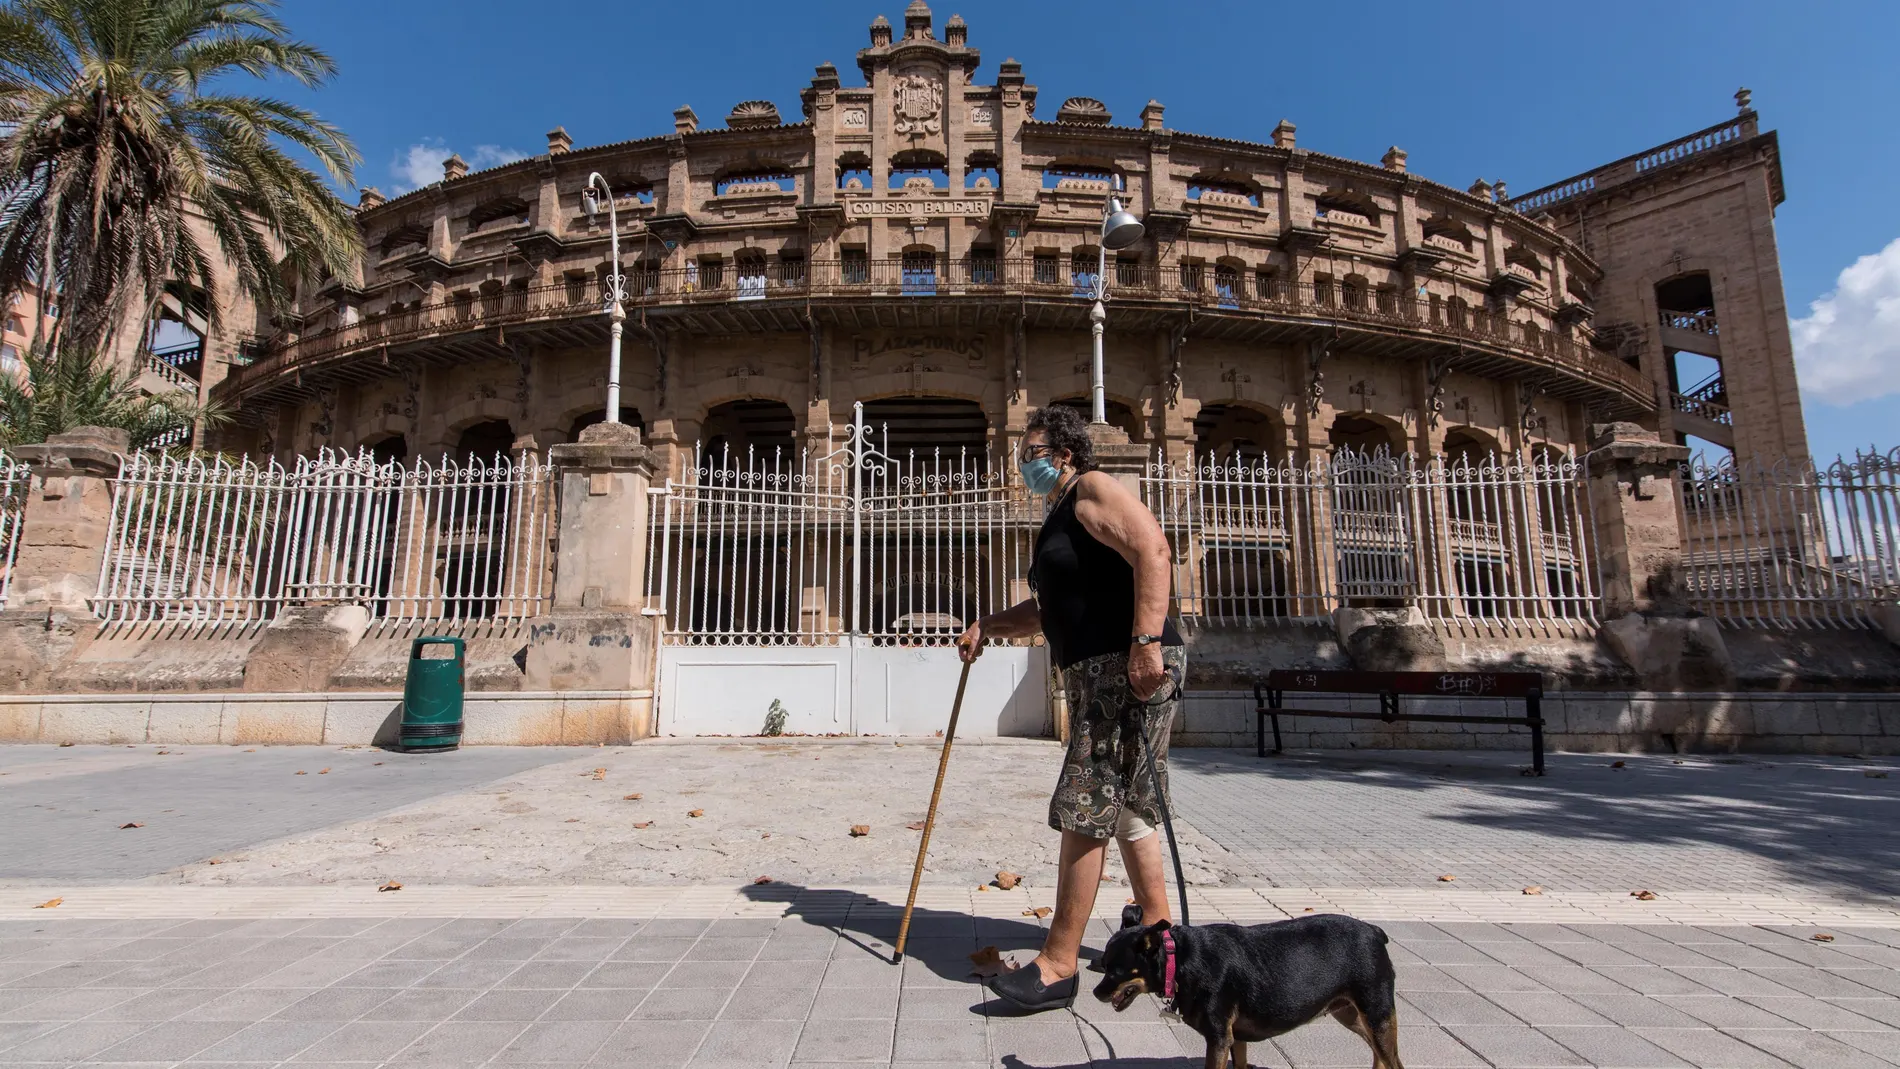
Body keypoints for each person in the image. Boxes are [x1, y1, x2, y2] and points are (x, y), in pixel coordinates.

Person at [955, 403, 1187, 1012]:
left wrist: (1144, 644)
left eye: (1030, 452)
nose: (1022, 463)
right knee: (1129, 804)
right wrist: (988, 625)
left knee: (1086, 799)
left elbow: (1154, 551)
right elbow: (1046, 610)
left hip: (1126, 665)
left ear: (1062, 454)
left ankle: (1058, 965)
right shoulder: (1060, 515)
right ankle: (1161, 939)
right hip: (1103, 670)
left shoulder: (1090, 490)